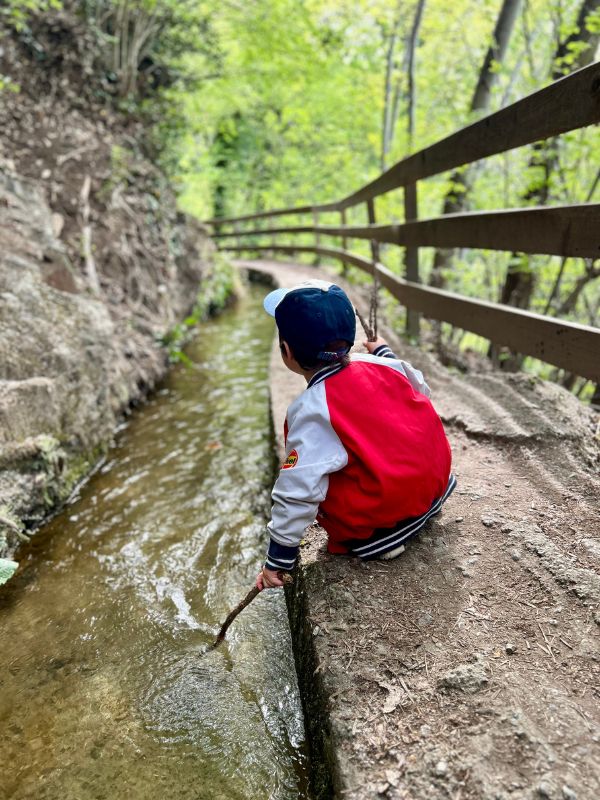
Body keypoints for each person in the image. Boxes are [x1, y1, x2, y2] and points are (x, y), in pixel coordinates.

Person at [256, 279, 455, 590]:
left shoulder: (312, 410)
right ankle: (420, 509)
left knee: (318, 469)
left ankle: (385, 536)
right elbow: (420, 389)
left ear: (287, 351)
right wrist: (384, 353)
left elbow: (297, 490)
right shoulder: (385, 365)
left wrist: (278, 558)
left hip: (381, 526)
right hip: (435, 490)